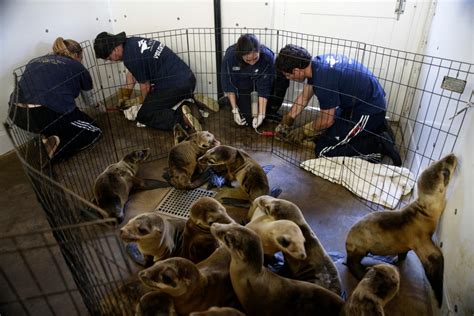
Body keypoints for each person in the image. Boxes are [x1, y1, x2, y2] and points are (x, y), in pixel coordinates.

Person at [274, 44, 401, 165]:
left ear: (296, 70)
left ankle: (377, 145)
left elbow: (326, 121)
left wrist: (303, 131)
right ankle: (375, 129)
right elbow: (304, 97)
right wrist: (287, 120)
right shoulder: (317, 65)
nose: (288, 78)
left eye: (287, 75)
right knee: (325, 135)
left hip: (369, 110)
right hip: (355, 106)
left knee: (324, 151)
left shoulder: (324, 80)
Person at [8, 37, 102, 163]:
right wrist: (99, 106)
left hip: (16, 114)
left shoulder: (35, 61)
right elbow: (89, 100)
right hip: (46, 114)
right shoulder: (77, 66)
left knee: (64, 122)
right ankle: (58, 150)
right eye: (82, 57)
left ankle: (48, 136)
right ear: (77, 55)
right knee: (95, 130)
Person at [93, 31, 201, 131]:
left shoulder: (130, 58)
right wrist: (123, 99)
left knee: (144, 114)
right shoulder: (132, 43)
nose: (111, 61)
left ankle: (183, 121)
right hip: (187, 79)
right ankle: (190, 104)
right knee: (155, 97)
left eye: (109, 58)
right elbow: (131, 75)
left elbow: (145, 86)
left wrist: (145, 105)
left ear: (115, 49)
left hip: (176, 85)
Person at [220, 34, 289, 128]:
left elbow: (264, 86)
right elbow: (229, 84)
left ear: (259, 51)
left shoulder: (267, 57)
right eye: (248, 60)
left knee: (281, 79)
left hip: (259, 81)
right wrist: (235, 110)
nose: (252, 63)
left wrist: (261, 114)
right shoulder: (230, 58)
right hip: (243, 84)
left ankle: (269, 112)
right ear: (241, 55)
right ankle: (233, 103)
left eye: (255, 58)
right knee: (249, 120)